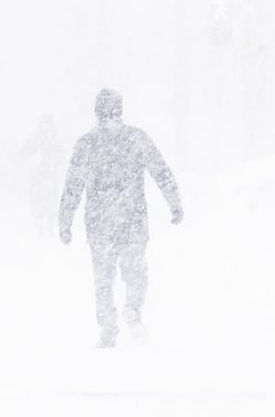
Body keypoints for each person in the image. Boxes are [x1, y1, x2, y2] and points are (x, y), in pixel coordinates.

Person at [59, 89, 183, 348]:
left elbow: (73, 186)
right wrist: (174, 203)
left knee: (103, 280)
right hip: (133, 220)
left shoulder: (86, 144)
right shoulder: (137, 138)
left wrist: (65, 221)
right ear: (120, 110)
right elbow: (161, 171)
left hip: (99, 222)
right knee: (136, 272)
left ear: (96, 112)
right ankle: (132, 308)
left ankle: (108, 330)